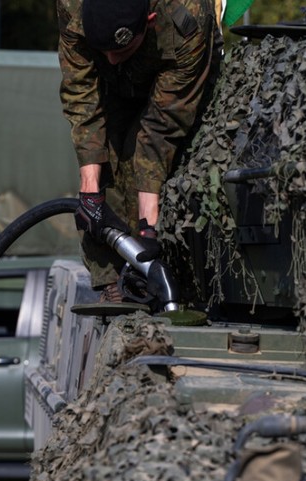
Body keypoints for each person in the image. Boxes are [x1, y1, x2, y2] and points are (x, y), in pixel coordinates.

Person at [58, 0, 221, 302]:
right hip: (112, 87)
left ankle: (161, 274)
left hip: (172, 69)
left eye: (118, 50)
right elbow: (82, 98)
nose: (111, 58)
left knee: (165, 169)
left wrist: (148, 229)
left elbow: (160, 130)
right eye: (104, 49)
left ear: (149, 19)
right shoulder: (73, 7)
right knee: (102, 163)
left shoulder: (189, 20)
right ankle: (113, 281)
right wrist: (90, 193)